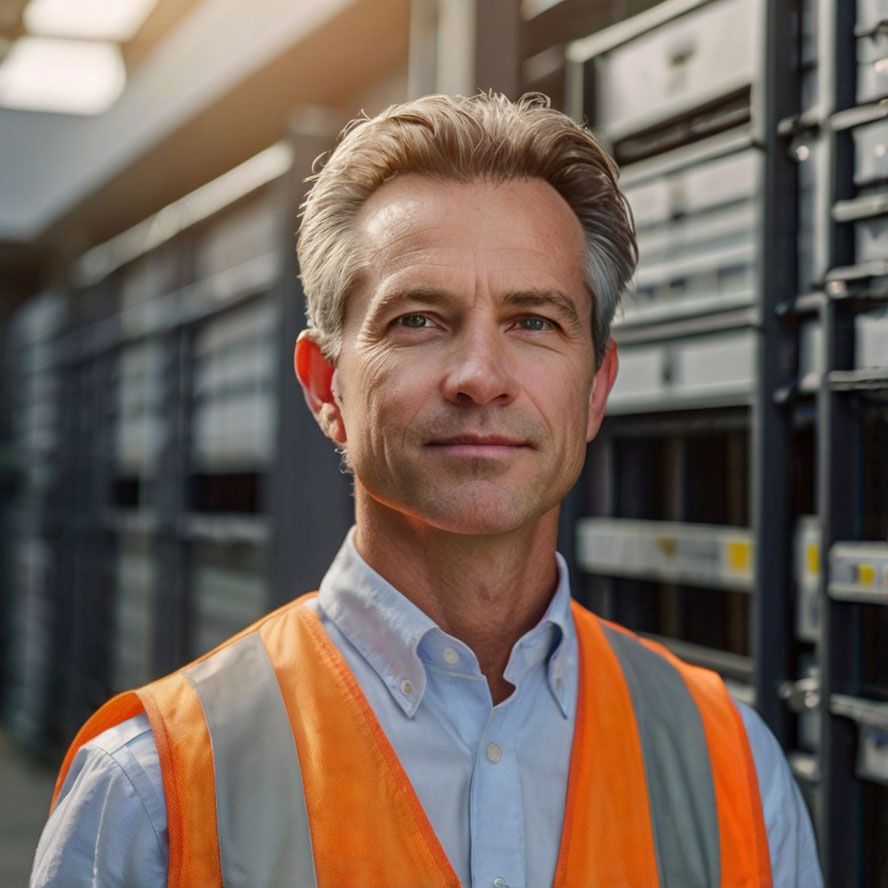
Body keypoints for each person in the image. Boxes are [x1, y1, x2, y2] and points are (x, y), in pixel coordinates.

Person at [31, 93, 822, 888]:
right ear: (326, 387)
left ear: (595, 388)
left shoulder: (735, 772)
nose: (480, 376)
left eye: (534, 322)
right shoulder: (151, 795)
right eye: (418, 320)